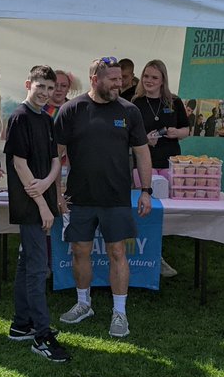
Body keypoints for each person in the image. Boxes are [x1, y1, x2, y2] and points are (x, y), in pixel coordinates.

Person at [53, 56, 153, 338]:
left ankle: (119, 313)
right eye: (113, 79)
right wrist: (57, 192)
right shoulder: (71, 110)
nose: (119, 84)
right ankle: (84, 304)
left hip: (116, 197)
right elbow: (55, 154)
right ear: (95, 79)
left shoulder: (130, 111)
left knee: (117, 252)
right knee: (80, 251)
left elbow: (142, 152)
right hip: (79, 197)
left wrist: (146, 190)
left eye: (121, 79)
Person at [4, 65, 71, 362]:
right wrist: (42, 203)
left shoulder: (46, 118)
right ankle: (41, 335)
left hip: (41, 196)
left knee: (26, 263)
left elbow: (56, 159)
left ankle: (22, 325)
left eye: (49, 88)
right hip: (30, 204)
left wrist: (50, 186)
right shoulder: (19, 117)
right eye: (40, 87)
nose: (44, 93)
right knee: (37, 267)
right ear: (28, 84)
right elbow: (20, 164)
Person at [132, 58, 190, 278]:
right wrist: (143, 139)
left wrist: (176, 132)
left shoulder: (174, 101)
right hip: (143, 164)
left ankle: (158, 254)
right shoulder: (135, 103)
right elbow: (127, 135)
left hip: (169, 162)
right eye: (146, 76)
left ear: (163, 80)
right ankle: (147, 255)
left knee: (165, 210)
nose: (149, 81)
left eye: (154, 77)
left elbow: (187, 129)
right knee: (145, 208)